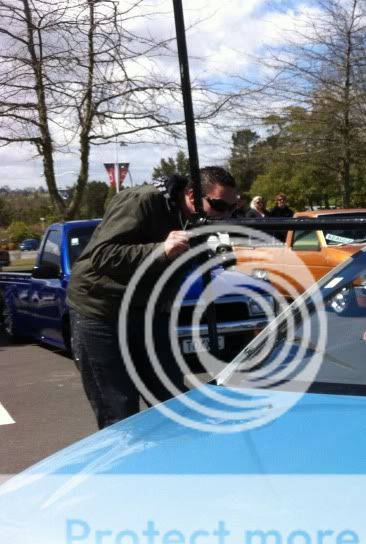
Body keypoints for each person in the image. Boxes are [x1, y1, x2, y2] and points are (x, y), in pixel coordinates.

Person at [67, 166, 240, 428]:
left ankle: (176, 461)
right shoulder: (143, 200)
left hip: (147, 310)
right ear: (192, 195)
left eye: (232, 208)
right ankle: (127, 463)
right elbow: (103, 255)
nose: (225, 214)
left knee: (170, 398)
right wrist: (160, 250)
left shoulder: (197, 220)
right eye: (219, 205)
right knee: (119, 406)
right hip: (102, 310)